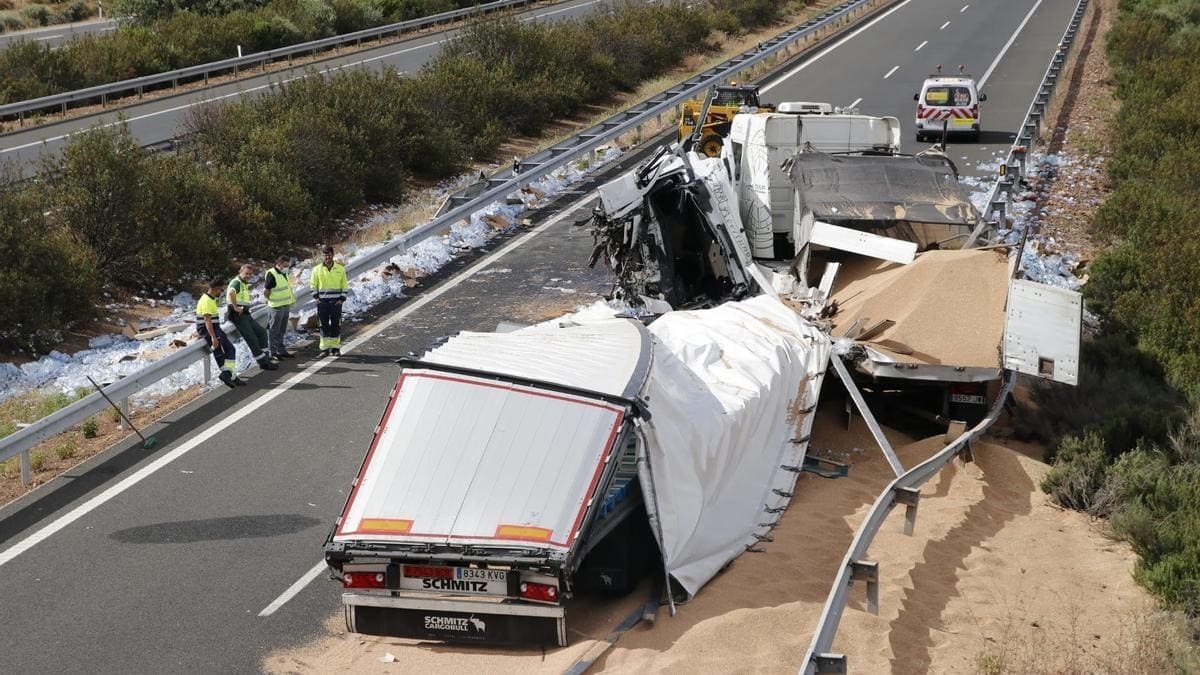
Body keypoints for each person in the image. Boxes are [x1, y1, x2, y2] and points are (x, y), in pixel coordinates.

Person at [226, 265, 278, 371]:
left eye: (250, 274)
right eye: (246, 273)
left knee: (261, 332)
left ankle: (266, 358)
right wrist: (235, 307)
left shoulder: (243, 283)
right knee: (252, 338)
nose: (248, 276)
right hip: (238, 315)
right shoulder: (236, 282)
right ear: (240, 272)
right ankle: (263, 363)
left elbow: (241, 297)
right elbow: (231, 293)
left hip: (245, 314)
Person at [196, 278, 245, 388]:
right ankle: (229, 376)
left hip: (215, 328)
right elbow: (207, 320)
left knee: (230, 349)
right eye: (221, 290)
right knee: (219, 353)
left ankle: (228, 375)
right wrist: (213, 337)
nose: (221, 292)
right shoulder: (206, 301)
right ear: (214, 289)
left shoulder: (211, 299)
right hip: (208, 330)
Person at [311, 245, 349, 357]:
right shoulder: (316, 269)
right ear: (322, 256)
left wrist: (342, 299)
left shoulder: (340, 269)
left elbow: (344, 285)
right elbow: (313, 285)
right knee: (323, 326)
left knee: (336, 325)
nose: (327, 257)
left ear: (333, 255)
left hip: (336, 303)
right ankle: (325, 349)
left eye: (329, 254)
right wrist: (316, 298)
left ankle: (335, 348)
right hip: (322, 303)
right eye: (325, 255)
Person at [263, 255, 296, 360]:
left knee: (282, 330)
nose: (287, 268)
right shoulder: (272, 274)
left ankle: (281, 350)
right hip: (276, 307)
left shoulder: (283, 273)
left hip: (285, 305)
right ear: (279, 264)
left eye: (287, 266)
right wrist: (268, 299)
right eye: (285, 266)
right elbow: (266, 291)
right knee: (274, 330)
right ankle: (273, 352)